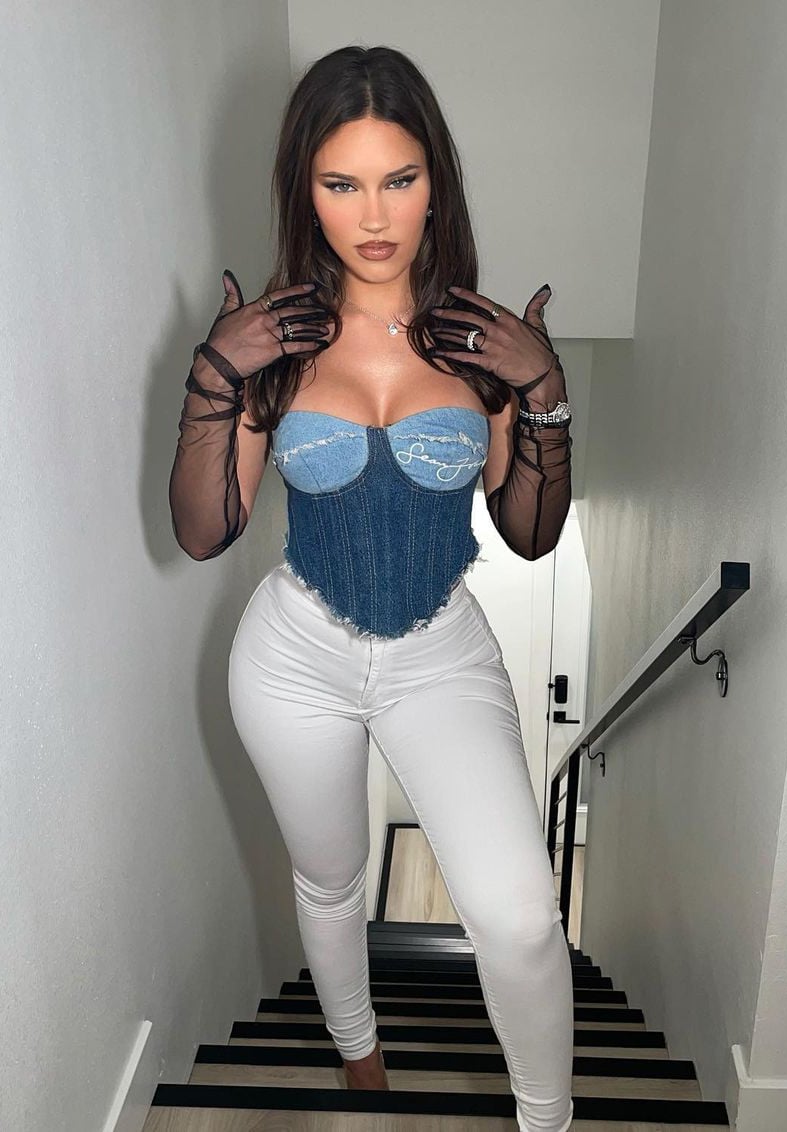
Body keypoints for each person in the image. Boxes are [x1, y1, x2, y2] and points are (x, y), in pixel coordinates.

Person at [168, 44, 574, 1132]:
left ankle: (549, 1119)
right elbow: (205, 532)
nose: (375, 215)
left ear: (436, 180)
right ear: (305, 191)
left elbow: (530, 535)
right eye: (341, 183)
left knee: (521, 919)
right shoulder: (277, 340)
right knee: (331, 879)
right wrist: (216, 373)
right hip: (293, 653)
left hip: (441, 653)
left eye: (399, 178)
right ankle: (360, 1055)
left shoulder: (483, 344)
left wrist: (543, 389)